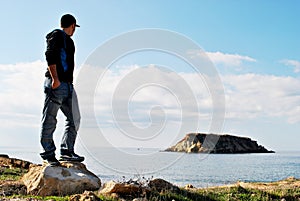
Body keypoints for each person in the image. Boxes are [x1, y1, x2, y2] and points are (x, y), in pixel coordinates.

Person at [40, 14, 84, 166]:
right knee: (50, 119)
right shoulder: (56, 35)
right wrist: (55, 79)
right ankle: (48, 153)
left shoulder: (70, 42)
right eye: (74, 27)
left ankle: (66, 151)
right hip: (56, 83)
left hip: (68, 85)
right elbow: (50, 55)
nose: (74, 30)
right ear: (72, 25)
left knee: (75, 118)